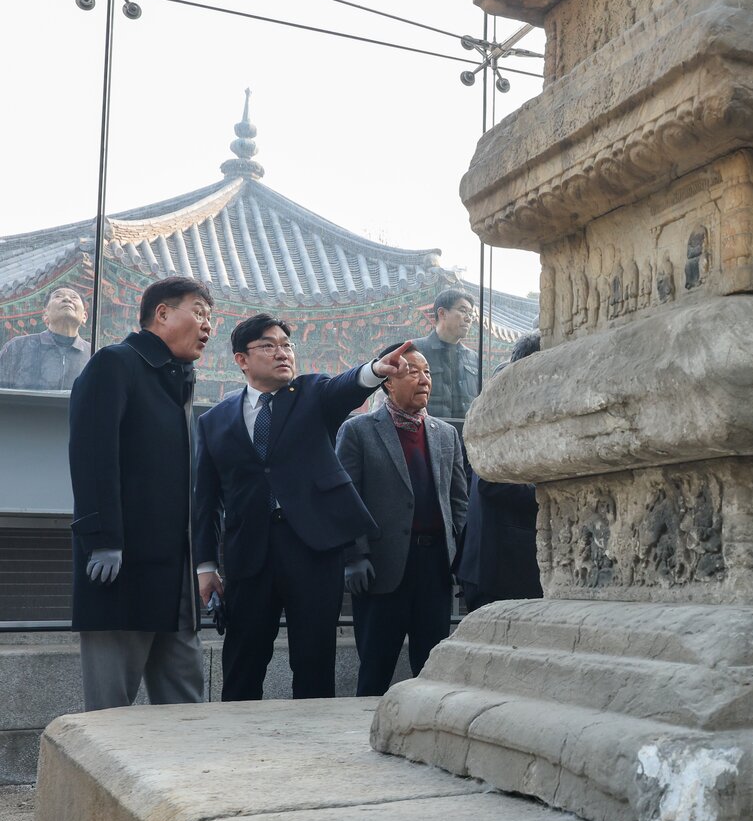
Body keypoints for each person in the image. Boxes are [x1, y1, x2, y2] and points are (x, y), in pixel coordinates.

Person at [193, 313, 413, 700]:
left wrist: (375, 370)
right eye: (269, 345)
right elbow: (206, 500)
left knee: (313, 660)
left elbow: (345, 387)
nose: (282, 353)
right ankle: (232, 745)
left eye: (287, 345)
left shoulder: (312, 394)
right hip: (249, 555)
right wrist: (206, 566)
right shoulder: (214, 421)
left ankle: (313, 750)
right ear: (242, 359)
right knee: (243, 660)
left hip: (313, 549)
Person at [68, 275, 214, 711]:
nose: (208, 326)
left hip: (176, 585)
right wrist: (103, 539)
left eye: (211, 318)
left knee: (187, 707)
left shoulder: (178, 381)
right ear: (163, 313)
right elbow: (93, 455)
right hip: (121, 574)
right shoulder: (116, 363)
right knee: (111, 714)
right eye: (200, 312)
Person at [335, 343, 469, 695]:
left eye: (427, 373)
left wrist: (461, 558)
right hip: (382, 568)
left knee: (433, 669)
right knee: (375, 669)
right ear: (389, 382)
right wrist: (355, 555)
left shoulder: (445, 434)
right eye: (413, 371)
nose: (424, 379)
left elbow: (458, 502)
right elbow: (346, 498)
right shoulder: (359, 431)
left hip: (435, 568)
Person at [455, 332, 543, 612]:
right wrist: (550, 493)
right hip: (500, 564)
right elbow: (490, 481)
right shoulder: (500, 407)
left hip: (515, 560)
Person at [0, 286, 91, 390]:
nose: (67, 299)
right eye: (58, 296)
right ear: (45, 315)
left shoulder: (93, 354)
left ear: (84, 316)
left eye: (74, 297)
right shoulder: (17, 347)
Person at [411, 288, 479, 424]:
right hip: (427, 435)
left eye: (471, 314)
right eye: (463, 311)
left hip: (465, 439)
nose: (468, 318)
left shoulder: (473, 358)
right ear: (442, 313)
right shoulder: (416, 351)